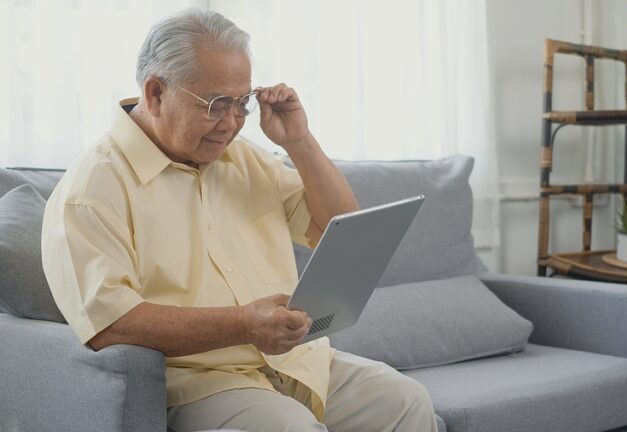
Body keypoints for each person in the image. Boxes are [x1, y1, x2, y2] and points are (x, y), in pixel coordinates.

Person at [41, 8, 438, 432]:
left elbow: (334, 228)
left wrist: (300, 142)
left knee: (406, 400)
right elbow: (110, 325)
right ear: (155, 93)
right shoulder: (93, 189)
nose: (230, 124)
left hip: (296, 364)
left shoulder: (243, 156)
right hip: (200, 381)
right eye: (215, 104)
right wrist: (242, 324)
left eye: (241, 102)